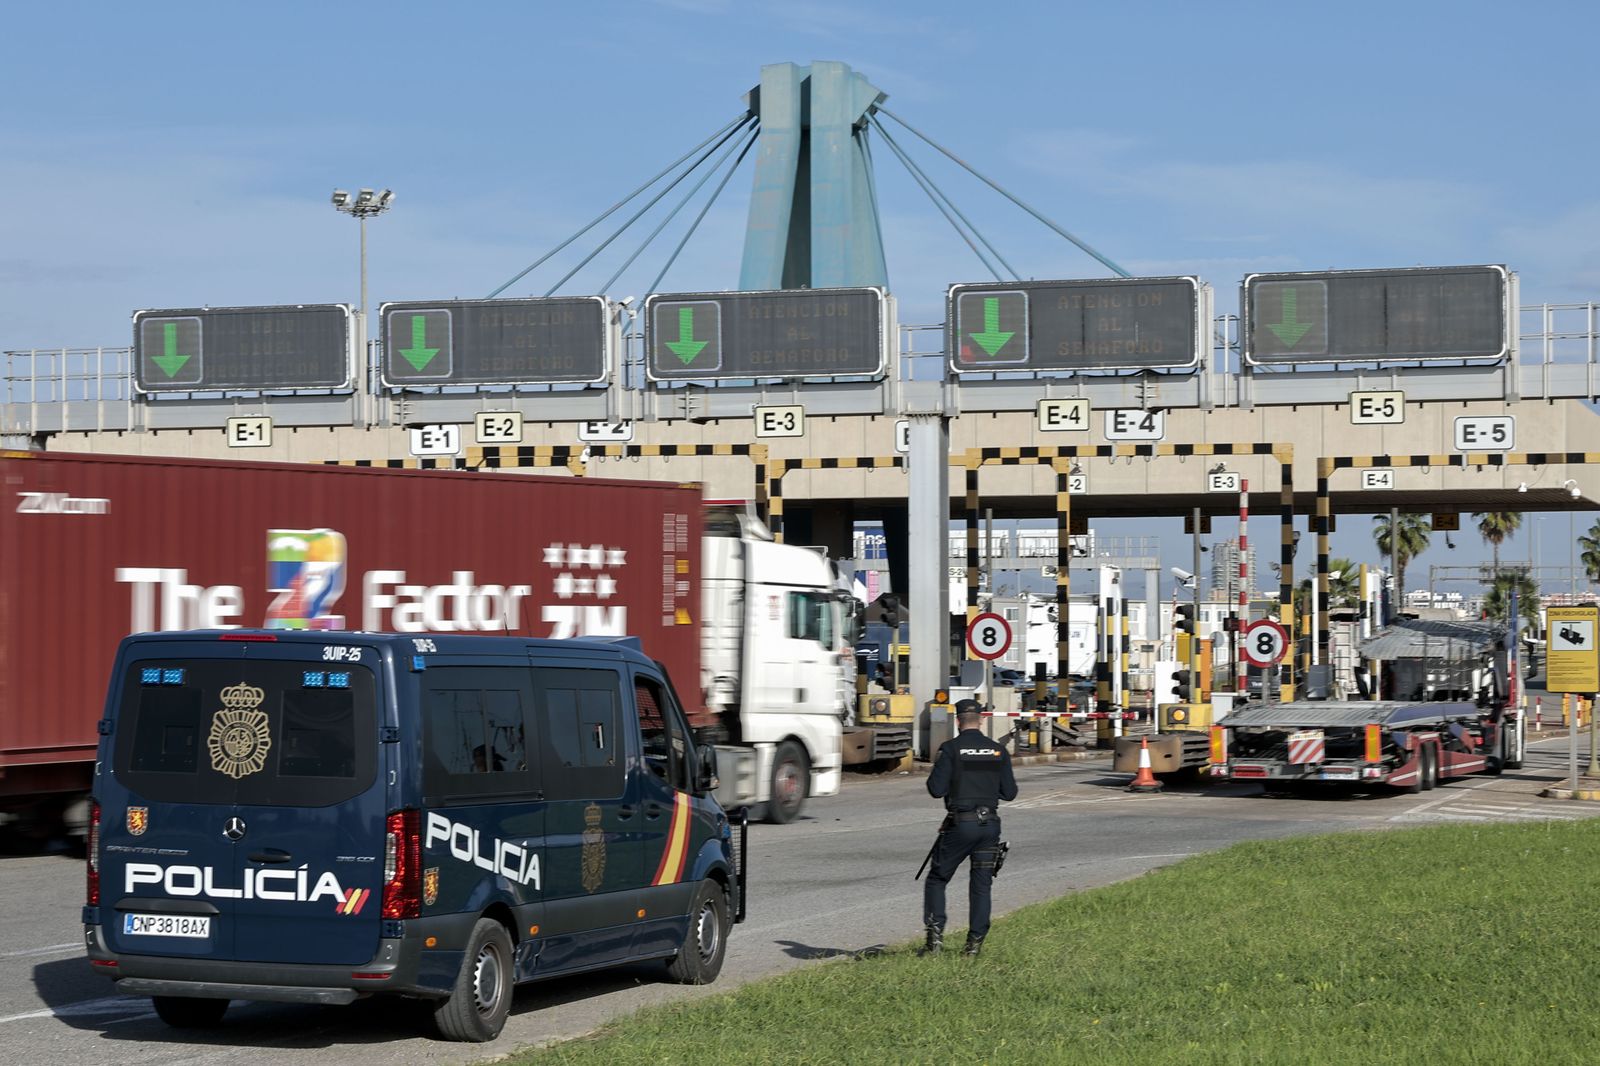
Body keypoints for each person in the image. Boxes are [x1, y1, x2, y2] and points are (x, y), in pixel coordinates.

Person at [918, 698, 1018, 957]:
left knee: (938, 878)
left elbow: (935, 789)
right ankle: (973, 946)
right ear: (982, 719)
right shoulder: (997, 750)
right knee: (982, 885)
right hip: (990, 827)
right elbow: (1010, 793)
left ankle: (935, 941)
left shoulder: (951, 749)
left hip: (961, 825)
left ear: (958, 720)